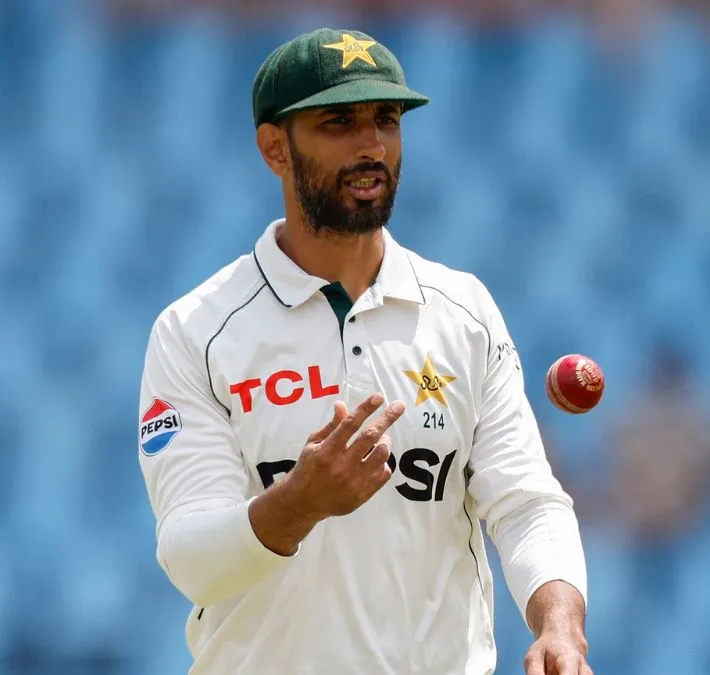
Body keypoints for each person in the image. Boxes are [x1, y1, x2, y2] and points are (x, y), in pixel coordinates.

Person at [136, 27, 590, 675]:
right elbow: (192, 560)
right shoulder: (195, 331)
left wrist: (560, 627)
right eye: (339, 123)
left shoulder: (463, 312)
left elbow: (526, 502)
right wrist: (299, 503)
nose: (372, 145)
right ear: (275, 148)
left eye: (386, 119)